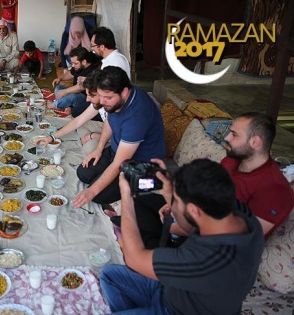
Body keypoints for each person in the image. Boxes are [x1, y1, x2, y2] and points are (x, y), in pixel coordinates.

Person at [100, 159, 264, 314]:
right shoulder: (241, 215)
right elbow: (191, 228)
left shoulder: (206, 260)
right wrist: (169, 192)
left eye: (177, 201)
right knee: (109, 275)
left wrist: (126, 197)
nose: (174, 204)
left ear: (194, 210)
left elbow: (134, 259)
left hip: (175, 310)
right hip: (172, 291)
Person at [132, 112, 294, 248]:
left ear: (255, 142)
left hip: (216, 247)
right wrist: (174, 202)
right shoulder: (232, 160)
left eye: (234, 134)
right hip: (196, 218)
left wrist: (184, 227)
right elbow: (205, 190)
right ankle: (154, 249)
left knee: (148, 238)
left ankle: (156, 254)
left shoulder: (275, 189)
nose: (227, 137)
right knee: (142, 199)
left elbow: (241, 238)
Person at [72, 66, 166, 209]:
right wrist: (99, 148)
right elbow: (110, 121)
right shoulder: (115, 98)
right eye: (100, 96)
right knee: (83, 173)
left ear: (124, 92)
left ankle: (152, 181)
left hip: (140, 162)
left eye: (107, 97)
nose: (102, 102)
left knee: (97, 195)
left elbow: (119, 163)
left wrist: (91, 191)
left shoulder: (137, 116)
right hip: (117, 150)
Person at [37, 70, 109, 156]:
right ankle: (87, 140)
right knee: (78, 123)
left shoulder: (114, 108)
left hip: (114, 139)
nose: (87, 99)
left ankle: (90, 142)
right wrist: (52, 137)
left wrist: (93, 135)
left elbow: (118, 138)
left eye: (91, 95)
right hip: (105, 129)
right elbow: (78, 121)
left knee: (89, 149)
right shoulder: (99, 103)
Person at [49, 46, 100, 117]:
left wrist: (66, 91)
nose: (73, 65)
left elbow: (81, 87)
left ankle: (55, 105)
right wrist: (60, 78)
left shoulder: (92, 71)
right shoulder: (78, 67)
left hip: (84, 97)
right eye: (72, 63)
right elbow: (70, 73)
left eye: (75, 63)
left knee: (72, 96)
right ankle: (67, 105)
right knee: (59, 88)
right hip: (75, 92)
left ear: (84, 62)